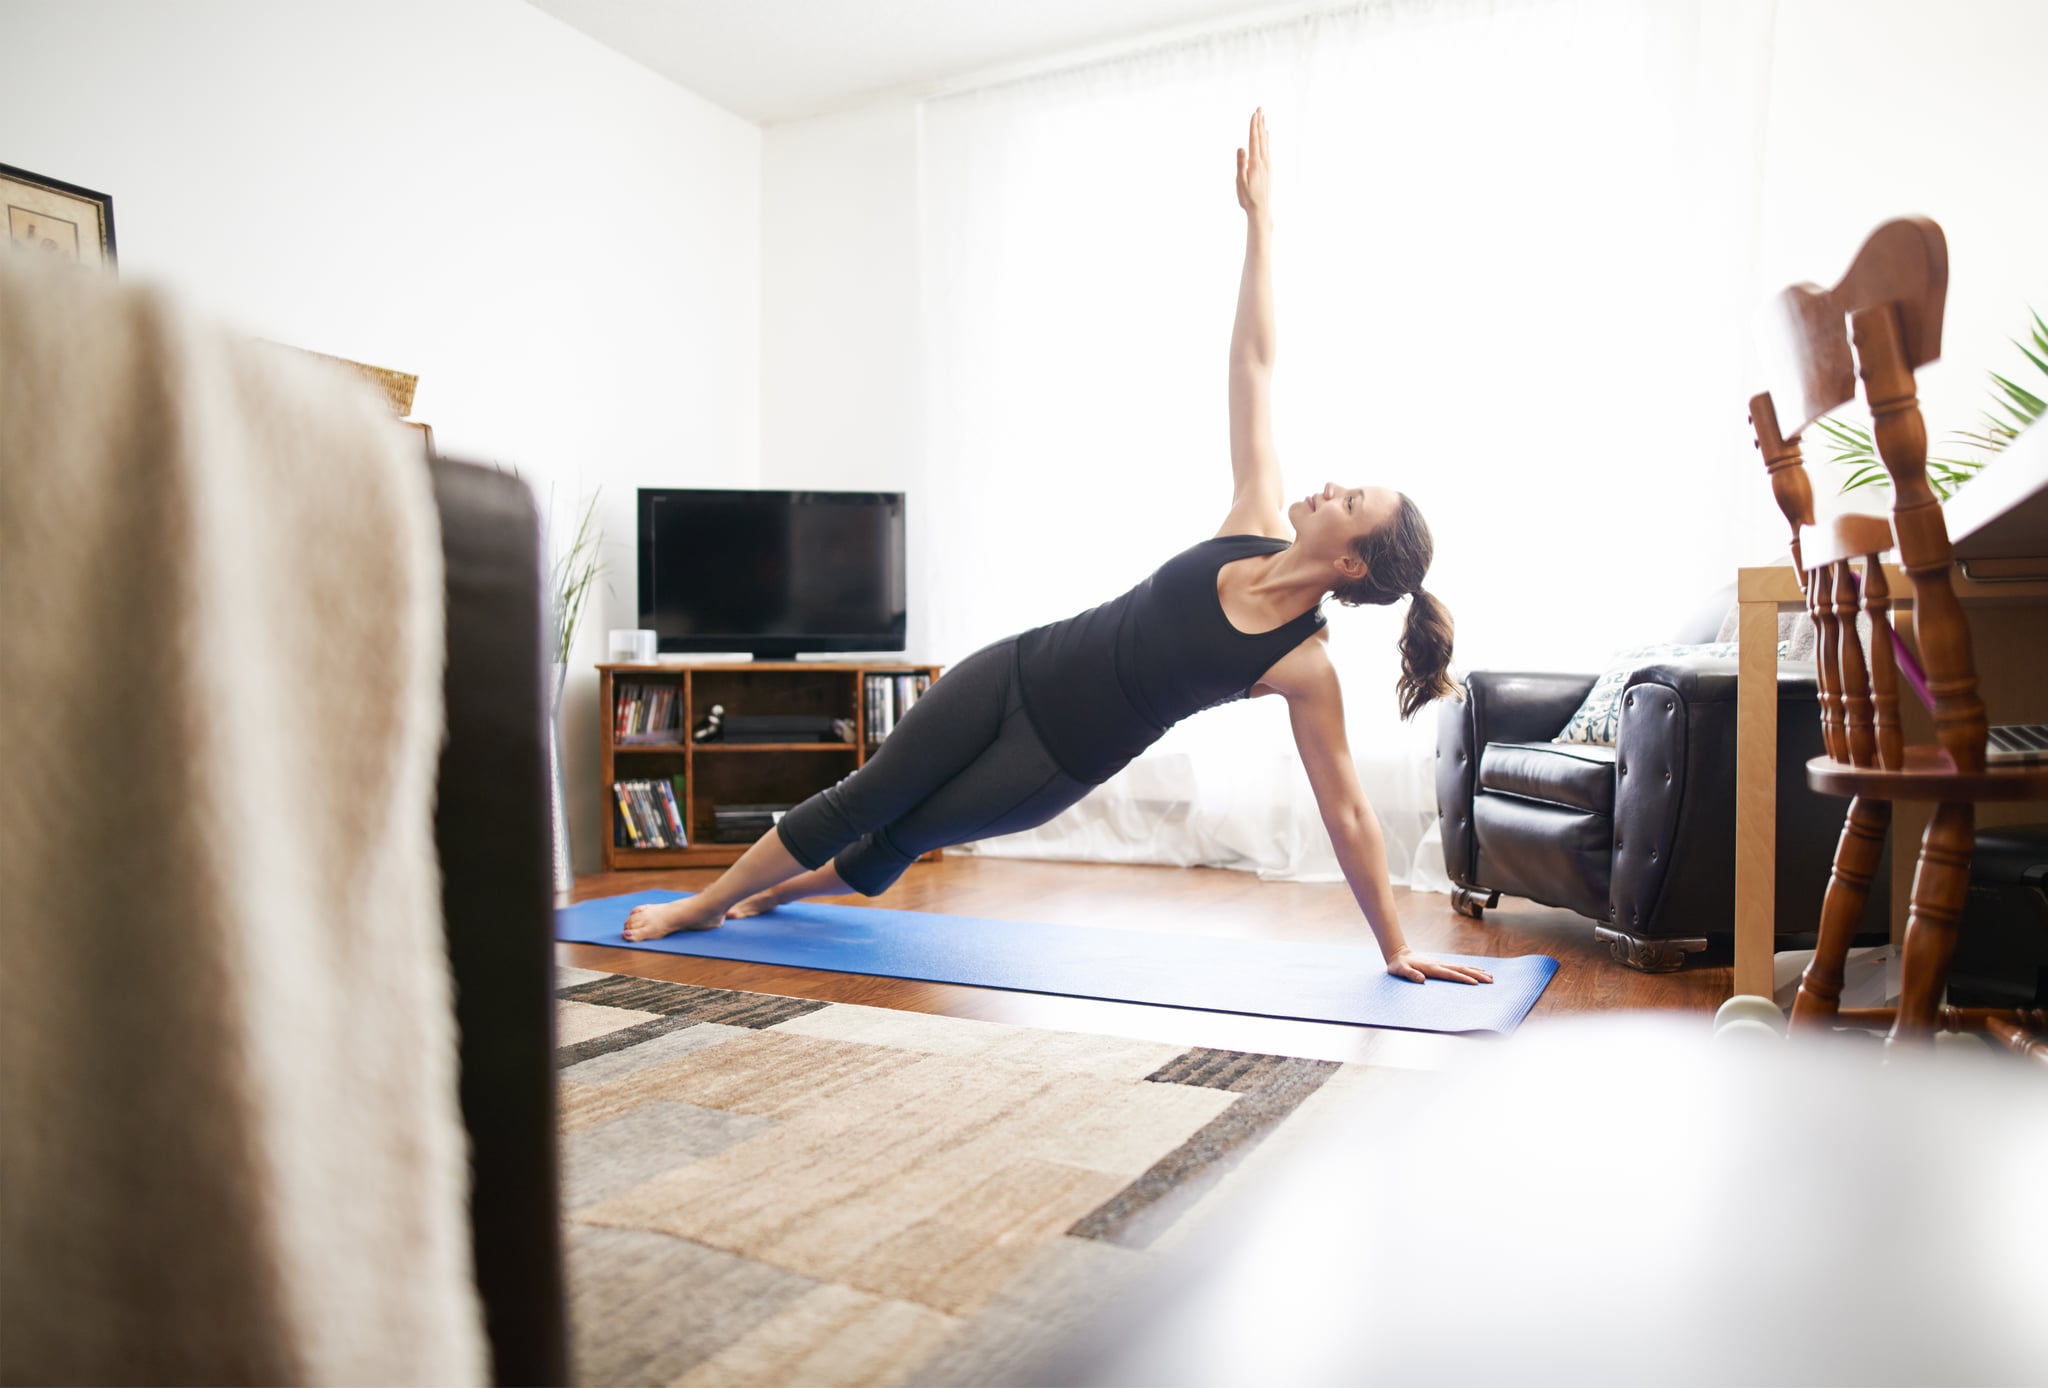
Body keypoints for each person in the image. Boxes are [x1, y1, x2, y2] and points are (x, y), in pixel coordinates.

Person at [624, 109, 1490, 987]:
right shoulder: (1253, 515)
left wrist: (1394, 946)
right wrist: (1260, 222)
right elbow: (1254, 365)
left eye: (1352, 501)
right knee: (870, 792)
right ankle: (704, 906)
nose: (1333, 485)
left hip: (1053, 761)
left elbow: (1344, 809)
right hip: (1016, 668)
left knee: (905, 834)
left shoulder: (1303, 667)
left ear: (1352, 563)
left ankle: (778, 892)